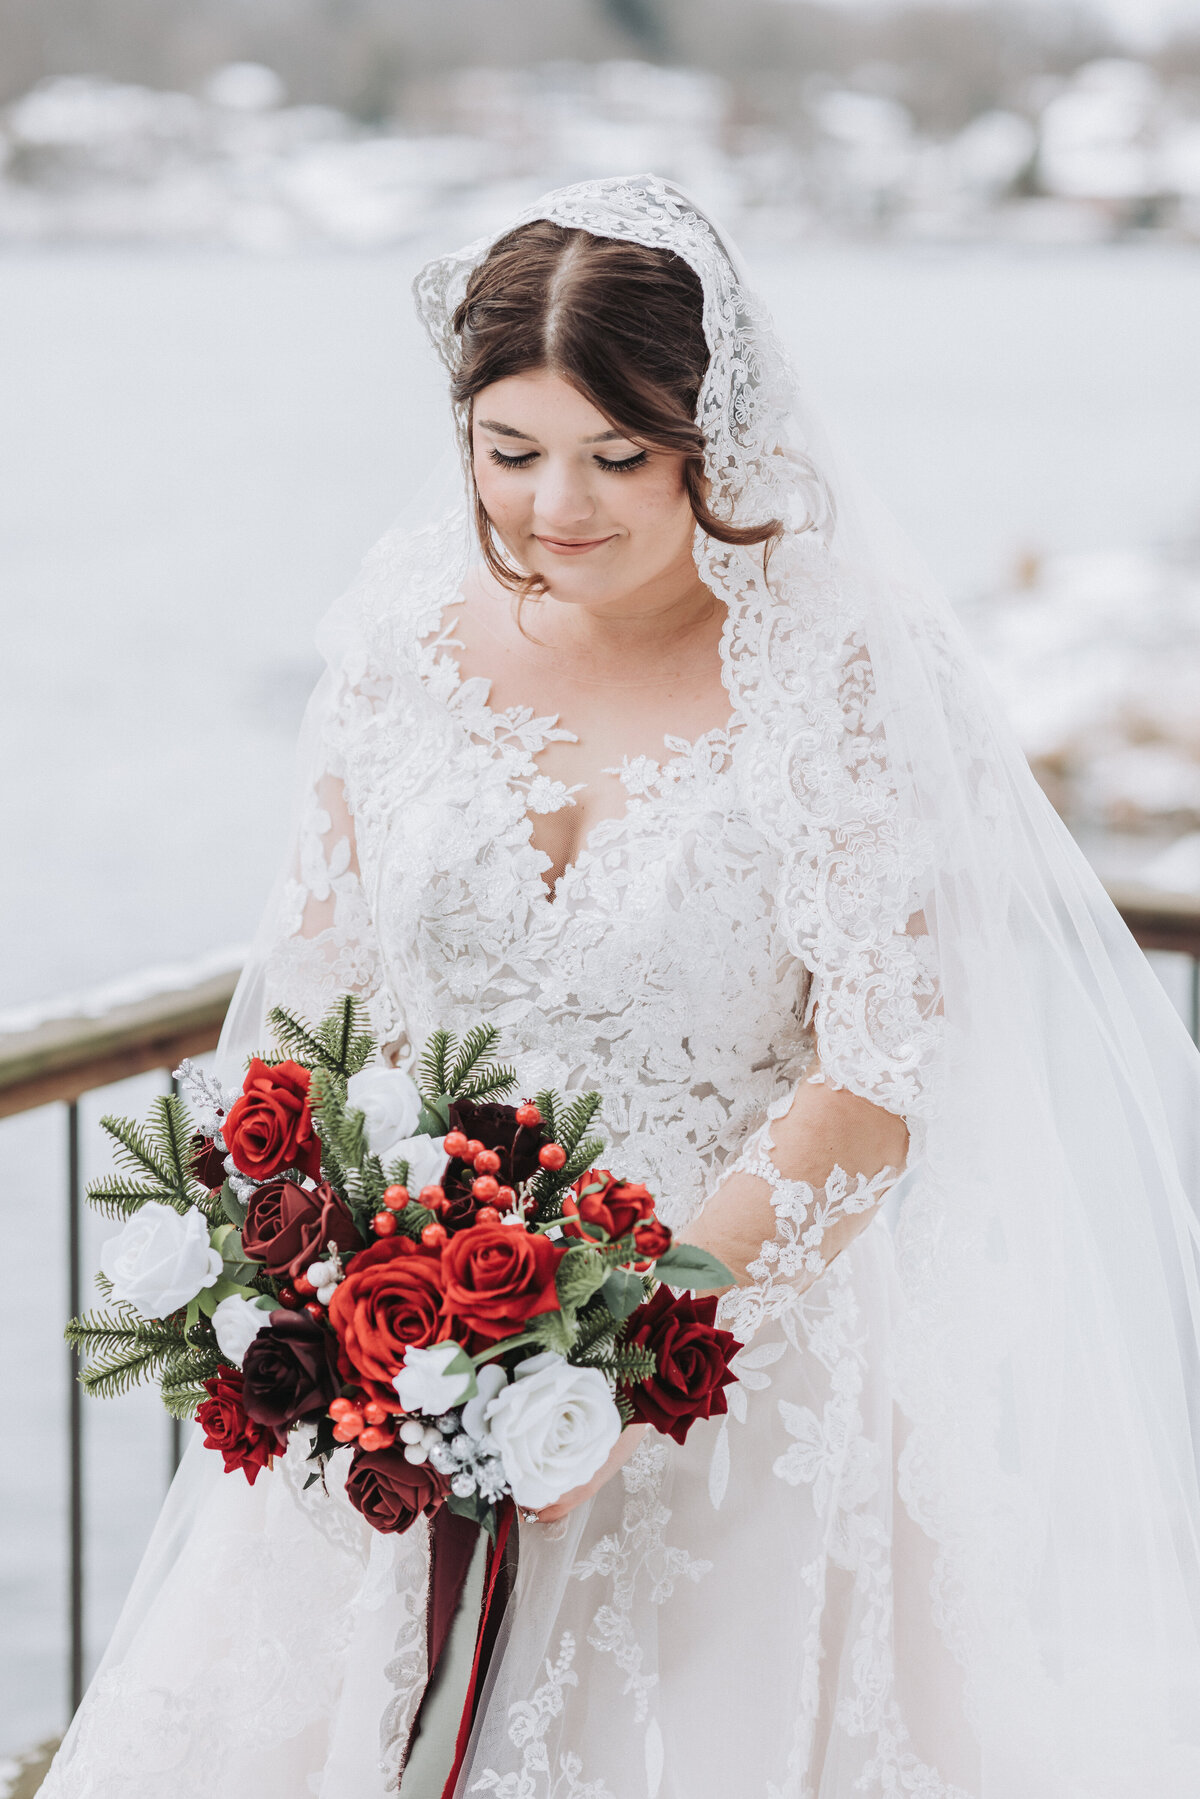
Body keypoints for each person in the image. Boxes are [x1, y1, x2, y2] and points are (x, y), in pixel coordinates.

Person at [40, 175, 1200, 1798]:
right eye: (507, 454)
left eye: (614, 459)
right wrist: (344, 1296)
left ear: (707, 440)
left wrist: (615, 1341)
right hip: (412, 1366)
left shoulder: (837, 668)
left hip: (728, 1374)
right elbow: (320, 1009)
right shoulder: (398, 640)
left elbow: (873, 1077)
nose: (552, 507)